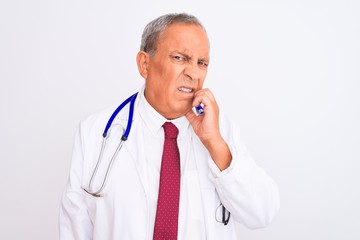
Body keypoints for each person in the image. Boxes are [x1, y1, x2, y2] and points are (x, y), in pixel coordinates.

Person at [59, 13, 280, 239]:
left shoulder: (220, 131)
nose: (194, 73)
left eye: (202, 63)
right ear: (145, 64)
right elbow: (75, 227)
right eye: (180, 58)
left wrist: (214, 143)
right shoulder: (96, 132)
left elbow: (261, 213)